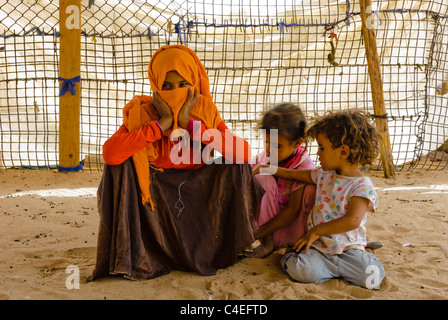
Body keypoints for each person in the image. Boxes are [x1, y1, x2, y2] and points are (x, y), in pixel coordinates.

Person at [88, 45, 263, 281]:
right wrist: (161, 124)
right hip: (155, 189)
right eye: (167, 86)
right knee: (119, 164)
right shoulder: (144, 112)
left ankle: (228, 246)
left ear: (193, 83)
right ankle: (135, 255)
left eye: (183, 85)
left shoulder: (205, 110)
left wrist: (190, 124)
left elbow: (243, 153)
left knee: (236, 164)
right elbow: (110, 154)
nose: (175, 92)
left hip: (198, 187)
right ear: (156, 87)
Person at [252, 109, 385, 289]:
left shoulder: (361, 186)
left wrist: (316, 231)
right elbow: (296, 175)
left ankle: (367, 253)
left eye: (322, 148)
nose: (318, 153)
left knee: (372, 279)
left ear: (343, 152)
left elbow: (353, 220)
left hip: (348, 249)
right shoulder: (324, 175)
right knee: (300, 271)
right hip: (319, 248)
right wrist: (268, 168)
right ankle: (318, 264)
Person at [248, 103, 316, 258]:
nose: (269, 149)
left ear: (298, 143)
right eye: (267, 142)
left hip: (289, 230)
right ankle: (263, 240)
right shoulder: (267, 157)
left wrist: (256, 233)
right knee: (255, 177)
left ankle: (267, 242)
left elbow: (292, 211)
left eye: (276, 145)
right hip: (264, 226)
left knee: (265, 179)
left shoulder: (304, 166)